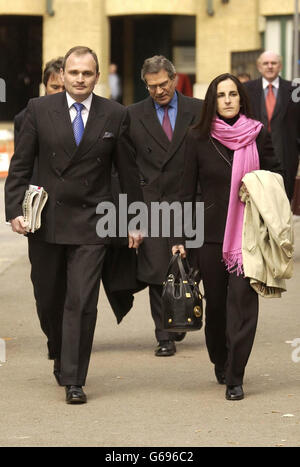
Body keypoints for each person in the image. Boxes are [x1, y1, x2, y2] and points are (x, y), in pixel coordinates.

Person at [5, 46, 142, 404]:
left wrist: (133, 220)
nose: (80, 79)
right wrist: (14, 209)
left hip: (94, 221)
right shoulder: (38, 110)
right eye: (74, 72)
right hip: (47, 220)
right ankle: (58, 347)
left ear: (97, 77)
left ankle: (74, 377)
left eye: (87, 73)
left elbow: (129, 174)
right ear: (62, 75)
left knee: (82, 301)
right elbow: (20, 166)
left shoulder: (115, 114)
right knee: (48, 298)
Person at [172, 73, 281, 400]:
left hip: (249, 237)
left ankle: (236, 374)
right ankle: (220, 359)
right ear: (213, 101)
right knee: (217, 309)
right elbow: (185, 190)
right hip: (210, 237)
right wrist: (178, 236)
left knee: (243, 306)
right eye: (222, 95)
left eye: (234, 94)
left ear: (241, 98)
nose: (229, 99)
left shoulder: (258, 135)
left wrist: (260, 185)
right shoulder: (197, 137)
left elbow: (279, 175)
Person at [127, 55, 203, 357]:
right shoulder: (133, 115)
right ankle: (164, 335)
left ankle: (182, 314)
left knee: (191, 266)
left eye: (163, 84)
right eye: (151, 86)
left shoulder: (197, 110)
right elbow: (127, 163)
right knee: (160, 271)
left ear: (174, 78)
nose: (159, 91)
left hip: (191, 200)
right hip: (152, 204)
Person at [244, 51, 300, 201]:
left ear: (280, 66)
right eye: (265, 63)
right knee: (257, 202)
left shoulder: (295, 90)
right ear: (259, 67)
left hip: (286, 156)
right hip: (255, 155)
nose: (270, 66)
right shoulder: (246, 89)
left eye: (273, 63)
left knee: (283, 201)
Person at [14, 57, 65, 143]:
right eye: (55, 87)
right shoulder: (24, 118)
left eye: (65, 88)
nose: (60, 92)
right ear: (45, 87)